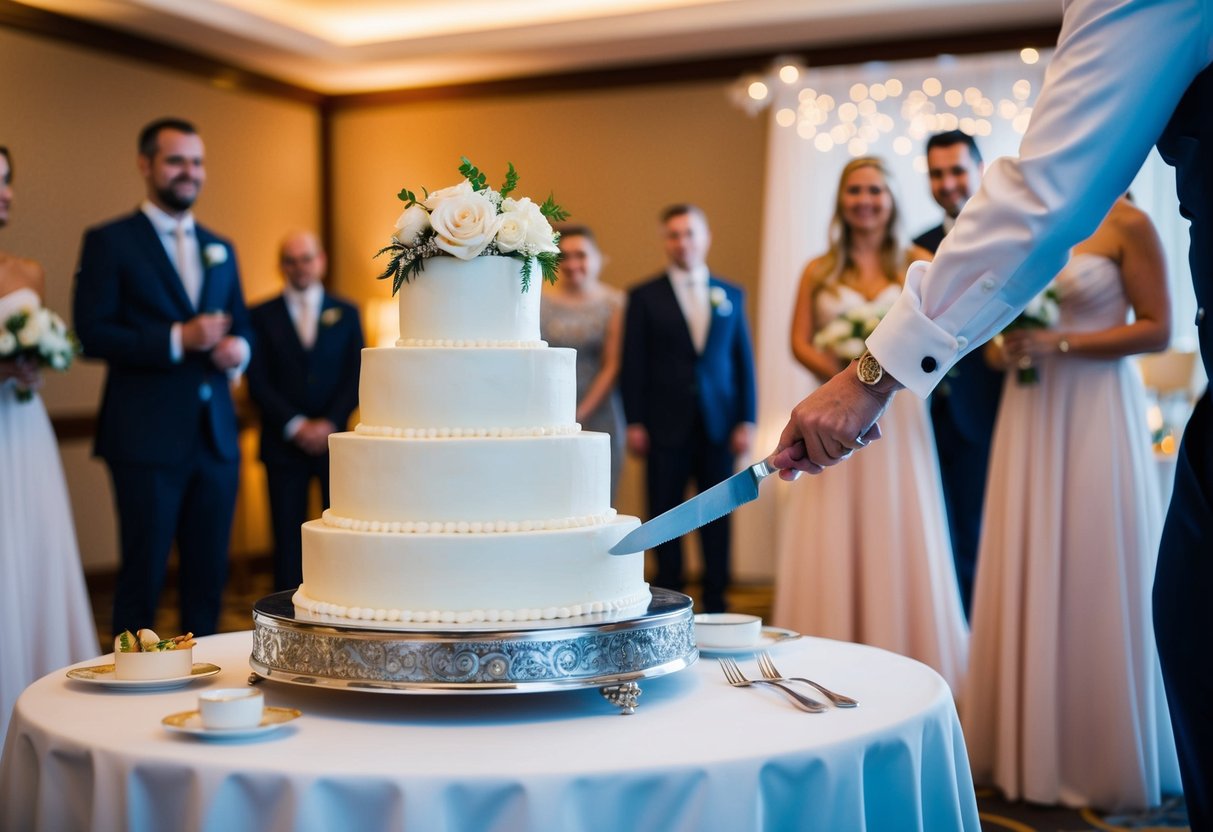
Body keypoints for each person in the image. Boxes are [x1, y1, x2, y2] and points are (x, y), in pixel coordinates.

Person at [771, 2, 1212, 825]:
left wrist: (866, 376)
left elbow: (1044, 191)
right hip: (1012, 419)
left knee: (1184, 626)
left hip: (1082, 417)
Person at [962, 196, 1180, 809]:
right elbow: (991, 323)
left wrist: (1058, 343)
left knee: (1093, 561)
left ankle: (1096, 752)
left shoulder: (1129, 223)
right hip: (1029, 410)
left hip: (1095, 408)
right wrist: (1000, 348)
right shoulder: (1026, 220)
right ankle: (1021, 746)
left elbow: (1159, 327)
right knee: (1024, 554)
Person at [771, 157, 967, 689]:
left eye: (875, 191)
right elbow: (798, 340)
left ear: (892, 199)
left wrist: (876, 378)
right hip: (831, 410)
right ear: (842, 201)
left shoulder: (919, 260)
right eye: (855, 190)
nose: (865, 200)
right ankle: (827, 653)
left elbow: (944, 337)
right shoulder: (818, 269)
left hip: (902, 418)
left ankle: (905, 655)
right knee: (834, 520)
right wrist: (844, 379)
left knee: (899, 518)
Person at [73, 118, 252, 638]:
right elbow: (92, 333)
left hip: (215, 438)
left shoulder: (221, 246)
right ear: (146, 165)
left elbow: (241, 323)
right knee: (142, 579)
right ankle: (132, 697)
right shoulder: (110, 241)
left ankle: (213, 689)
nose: (189, 172)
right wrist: (177, 339)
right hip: (145, 439)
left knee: (210, 580)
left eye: (196, 162)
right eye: (176, 161)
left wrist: (239, 348)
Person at [0, 145, 97, 743]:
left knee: (33, 548)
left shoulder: (28, 271)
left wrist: (38, 363)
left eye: (8, 180)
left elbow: (43, 344)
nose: (5, 192)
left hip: (23, 428)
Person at [620, 204, 756, 613]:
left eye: (690, 233)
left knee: (717, 515)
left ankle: (718, 601)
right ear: (665, 241)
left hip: (719, 423)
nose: (683, 242)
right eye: (674, 234)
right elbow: (634, 362)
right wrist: (635, 420)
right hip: (664, 425)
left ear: (706, 236)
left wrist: (748, 417)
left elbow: (742, 360)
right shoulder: (643, 296)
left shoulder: (730, 294)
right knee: (666, 514)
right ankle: (669, 600)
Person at [913, 130, 1004, 618]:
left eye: (956, 170)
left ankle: (981, 630)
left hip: (993, 405)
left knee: (983, 528)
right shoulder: (916, 244)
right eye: (937, 173)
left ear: (980, 168)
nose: (947, 183)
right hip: (927, 412)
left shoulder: (1006, 235)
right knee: (936, 530)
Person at [247, 231, 362, 592]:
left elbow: (356, 374)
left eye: (307, 258)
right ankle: (287, 613)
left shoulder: (346, 312)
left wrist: (329, 422)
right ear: (281, 266)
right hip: (283, 445)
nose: (300, 267)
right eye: (291, 260)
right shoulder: (259, 315)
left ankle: (338, 601)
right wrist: (295, 425)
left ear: (321, 261)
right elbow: (257, 379)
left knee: (338, 533)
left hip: (335, 444)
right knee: (286, 539)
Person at [540, 225, 626, 501]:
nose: (572, 263)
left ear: (598, 258)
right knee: (550, 494)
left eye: (581, 255)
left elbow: (613, 365)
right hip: (548, 409)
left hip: (601, 412)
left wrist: (579, 414)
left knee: (596, 496)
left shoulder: (615, 303)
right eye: (564, 256)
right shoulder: (539, 301)